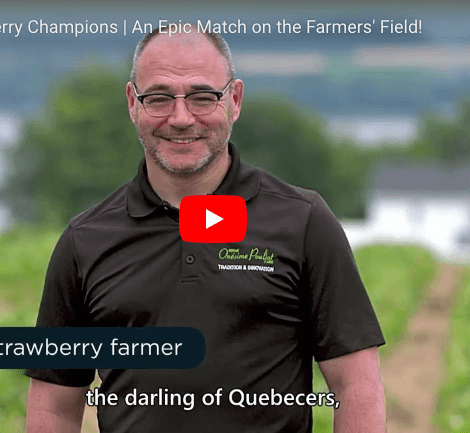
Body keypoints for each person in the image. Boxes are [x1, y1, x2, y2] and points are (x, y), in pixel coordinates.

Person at [25, 24, 386, 433]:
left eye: (202, 97)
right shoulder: (84, 241)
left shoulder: (302, 221)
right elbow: (54, 407)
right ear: (132, 103)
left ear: (234, 100)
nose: (181, 118)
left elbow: (357, 385)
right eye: (159, 98)